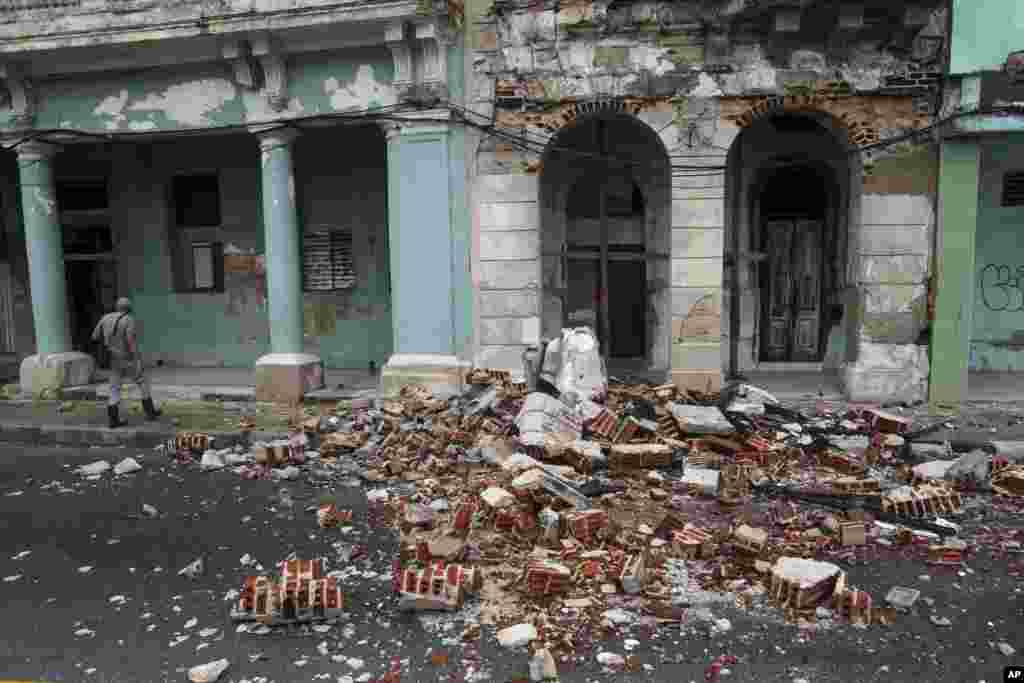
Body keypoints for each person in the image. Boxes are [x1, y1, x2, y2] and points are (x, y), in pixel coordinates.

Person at [91, 297, 161, 428]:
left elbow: (94, 337)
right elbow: (130, 341)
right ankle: (150, 413)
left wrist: (107, 344)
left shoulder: (105, 318)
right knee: (142, 381)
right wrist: (137, 359)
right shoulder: (129, 319)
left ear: (117, 307)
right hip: (127, 358)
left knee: (114, 388)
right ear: (129, 309)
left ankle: (113, 420)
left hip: (112, 359)